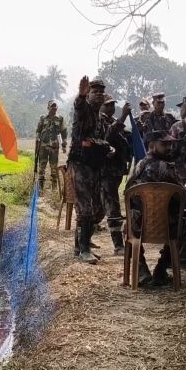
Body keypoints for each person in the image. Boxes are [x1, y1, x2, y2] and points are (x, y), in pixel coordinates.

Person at [126, 130, 186, 287]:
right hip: (164, 226)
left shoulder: (139, 165)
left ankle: (141, 271)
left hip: (136, 224)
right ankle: (161, 270)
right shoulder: (165, 168)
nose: (170, 148)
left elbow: (128, 192)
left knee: (130, 226)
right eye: (165, 145)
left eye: (170, 144)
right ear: (152, 146)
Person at [67, 76, 110, 264]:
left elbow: (99, 140)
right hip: (79, 165)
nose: (99, 94)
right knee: (85, 208)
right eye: (95, 91)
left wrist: (106, 148)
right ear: (88, 94)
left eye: (101, 92)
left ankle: (81, 245)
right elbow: (78, 105)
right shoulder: (83, 109)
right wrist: (81, 95)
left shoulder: (100, 117)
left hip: (95, 166)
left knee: (98, 210)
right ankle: (83, 250)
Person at [99, 96, 133, 255]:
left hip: (116, 170)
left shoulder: (111, 119)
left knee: (99, 209)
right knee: (112, 208)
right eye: (108, 105)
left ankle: (82, 241)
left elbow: (122, 135)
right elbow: (108, 135)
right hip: (106, 171)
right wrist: (123, 116)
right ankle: (118, 245)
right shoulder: (99, 120)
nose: (111, 107)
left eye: (113, 104)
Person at [35, 100, 67, 192]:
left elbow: (63, 132)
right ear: (48, 107)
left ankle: (54, 189)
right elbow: (38, 130)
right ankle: (40, 189)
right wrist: (37, 139)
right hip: (43, 147)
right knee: (41, 168)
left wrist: (64, 144)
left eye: (55, 106)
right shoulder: (43, 118)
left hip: (54, 148)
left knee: (54, 169)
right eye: (52, 106)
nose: (54, 108)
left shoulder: (60, 119)